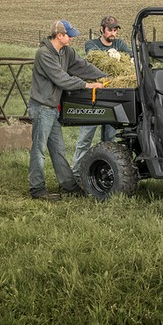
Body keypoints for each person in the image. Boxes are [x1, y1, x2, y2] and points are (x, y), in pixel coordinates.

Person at [28, 19, 106, 200]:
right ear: (59, 35)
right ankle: (37, 189)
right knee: (39, 150)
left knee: (59, 150)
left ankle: (69, 186)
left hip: (52, 108)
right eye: (69, 35)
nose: (71, 38)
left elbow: (82, 66)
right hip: (41, 107)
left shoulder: (66, 52)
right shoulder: (44, 54)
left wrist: (105, 76)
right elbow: (61, 78)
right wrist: (86, 85)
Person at [71, 15, 132, 182]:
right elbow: (94, 57)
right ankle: (75, 174)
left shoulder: (119, 44)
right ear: (102, 29)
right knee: (85, 137)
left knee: (110, 138)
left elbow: (129, 57)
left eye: (115, 30)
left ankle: (106, 173)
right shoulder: (92, 44)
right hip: (94, 97)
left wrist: (125, 58)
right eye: (110, 30)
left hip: (112, 97)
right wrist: (111, 56)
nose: (113, 33)